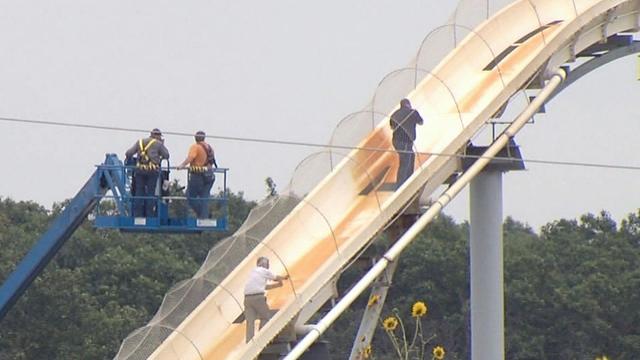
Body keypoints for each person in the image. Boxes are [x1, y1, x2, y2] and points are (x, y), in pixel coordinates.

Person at [125, 128, 170, 217]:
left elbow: (128, 153)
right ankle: (150, 215)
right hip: (152, 171)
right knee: (151, 193)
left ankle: (137, 214)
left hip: (139, 171)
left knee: (139, 192)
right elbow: (167, 155)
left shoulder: (140, 142)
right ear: (157, 136)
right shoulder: (158, 144)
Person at [243, 256, 289, 343]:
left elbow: (263, 287)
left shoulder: (253, 272)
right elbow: (276, 277)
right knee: (265, 316)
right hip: (258, 298)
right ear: (265, 264)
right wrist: (284, 278)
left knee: (250, 321)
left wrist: (277, 285)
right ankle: (260, 338)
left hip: (247, 299)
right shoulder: (263, 270)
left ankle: (249, 341)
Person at [177, 131, 218, 219]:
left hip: (198, 175)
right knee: (204, 197)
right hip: (209, 175)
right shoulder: (209, 148)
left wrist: (182, 165)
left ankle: (203, 214)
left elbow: (191, 158)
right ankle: (205, 215)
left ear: (195, 138)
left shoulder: (195, 147)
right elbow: (211, 162)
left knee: (190, 196)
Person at [390, 98, 423, 186]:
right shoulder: (412, 112)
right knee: (405, 162)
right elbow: (421, 122)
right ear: (408, 105)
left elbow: (392, 127)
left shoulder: (395, 114)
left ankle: (409, 179)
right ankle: (401, 185)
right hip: (405, 141)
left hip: (396, 141)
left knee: (411, 155)